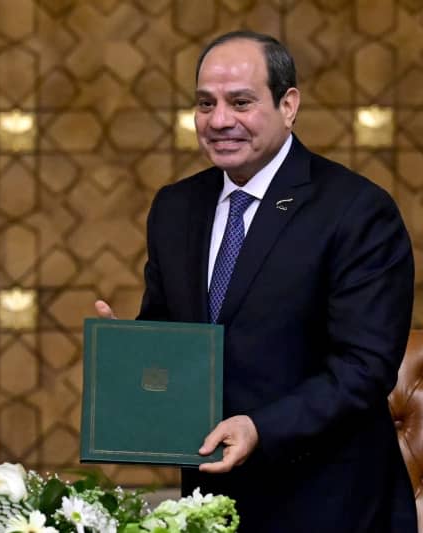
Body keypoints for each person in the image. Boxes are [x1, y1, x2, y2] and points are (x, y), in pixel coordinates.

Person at [96, 31, 416, 532]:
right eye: (206, 104)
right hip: (211, 500)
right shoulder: (176, 208)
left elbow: (364, 367)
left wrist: (260, 428)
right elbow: (175, 340)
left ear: (288, 105)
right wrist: (129, 350)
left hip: (330, 502)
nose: (219, 120)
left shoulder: (356, 210)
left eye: (240, 102)